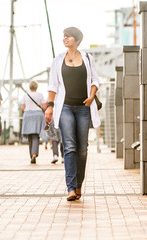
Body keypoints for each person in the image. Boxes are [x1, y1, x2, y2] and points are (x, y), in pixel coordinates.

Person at [45, 27, 100, 201]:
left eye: (68, 36)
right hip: (65, 108)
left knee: (82, 149)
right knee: (69, 146)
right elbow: (53, 85)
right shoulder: (58, 60)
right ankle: (70, 188)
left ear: (76, 40)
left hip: (84, 108)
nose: (65, 39)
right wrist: (50, 106)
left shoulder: (87, 58)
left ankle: (78, 185)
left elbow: (95, 80)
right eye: (63, 36)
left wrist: (91, 96)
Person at [21, 80, 47, 164]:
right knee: (36, 135)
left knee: (30, 136)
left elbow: (23, 107)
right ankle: (34, 154)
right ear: (37, 87)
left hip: (27, 115)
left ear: (29, 87)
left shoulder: (25, 95)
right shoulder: (40, 95)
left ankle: (31, 155)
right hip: (37, 115)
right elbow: (43, 106)